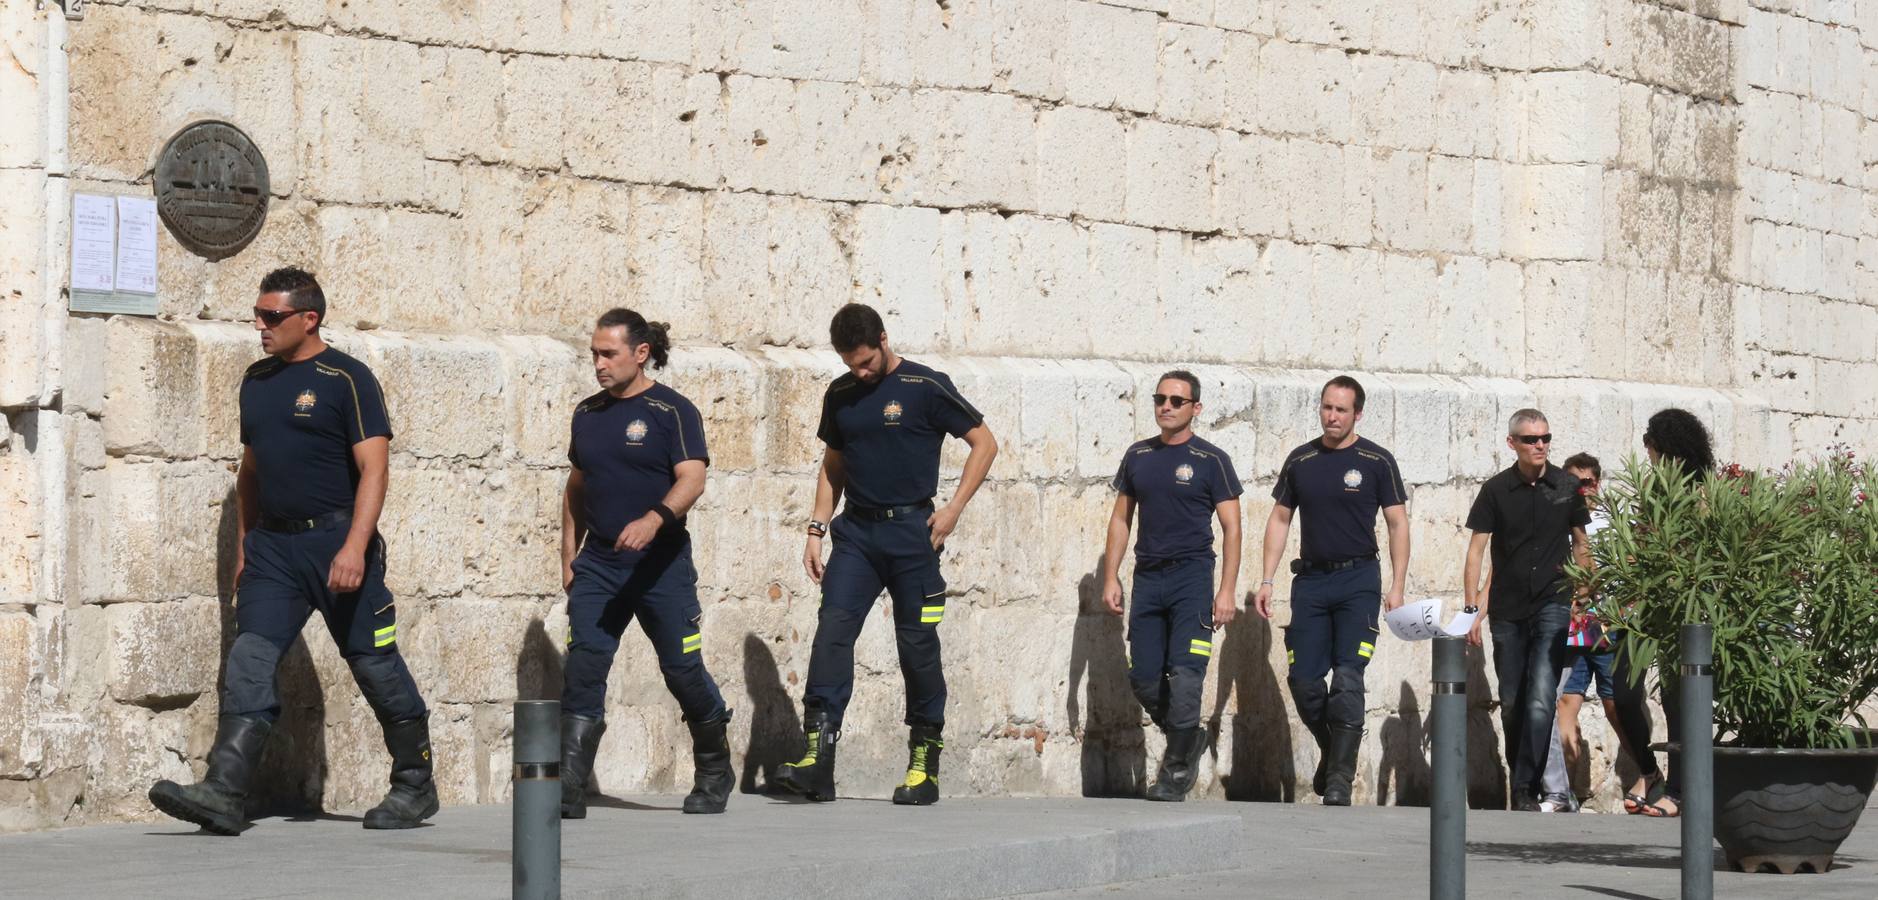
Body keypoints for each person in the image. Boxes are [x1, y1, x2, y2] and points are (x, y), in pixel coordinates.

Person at [149, 267, 436, 834]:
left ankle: (414, 785)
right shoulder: (255, 381)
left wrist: (355, 546)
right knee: (250, 660)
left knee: (375, 667)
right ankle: (225, 792)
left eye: (272, 316)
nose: (260, 325)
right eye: (257, 314)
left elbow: (374, 469)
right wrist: (244, 547)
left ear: (310, 318)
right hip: (274, 550)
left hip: (335, 542)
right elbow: (250, 474)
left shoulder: (346, 379)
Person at [779, 303, 999, 804]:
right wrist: (816, 529)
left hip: (912, 536)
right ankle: (818, 757)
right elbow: (833, 464)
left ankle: (924, 765)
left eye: (865, 362)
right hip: (856, 533)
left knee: (917, 645)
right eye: (849, 364)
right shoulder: (840, 393)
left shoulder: (925, 387)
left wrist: (954, 509)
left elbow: (984, 444)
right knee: (832, 630)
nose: (859, 372)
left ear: (883, 339)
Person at [556, 309, 734, 818]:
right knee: (584, 667)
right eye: (594, 353)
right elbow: (576, 488)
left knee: (681, 668)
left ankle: (715, 769)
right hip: (600, 566)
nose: (598, 363)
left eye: (608, 353)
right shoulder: (586, 414)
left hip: (662, 567)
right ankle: (569, 783)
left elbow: (692, 478)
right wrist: (570, 557)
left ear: (640, 353)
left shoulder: (671, 410)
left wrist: (655, 519)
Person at [1254, 375, 1410, 806]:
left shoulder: (1376, 460)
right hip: (1311, 582)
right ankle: (1333, 747)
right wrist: (1267, 580)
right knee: (1304, 681)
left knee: (1346, 678)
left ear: (1357, 413)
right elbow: (1280, 519)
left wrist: (1396, 586)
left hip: (1358, 580)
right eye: (1326, 407)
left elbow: (1398, 523)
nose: (1332, 416)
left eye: (1341, 409)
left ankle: (1340, 777)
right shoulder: (1301, 460)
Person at [1100, 371, 1244, 802]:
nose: (1166, 406)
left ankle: (1176, 771)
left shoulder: (1211, 460)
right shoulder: (1138, 455)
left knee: (1185, 676)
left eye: (1177, 400)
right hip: (1148, 578)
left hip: (1192, 579)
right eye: (1160, 398)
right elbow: (1121, 519)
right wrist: (1111, 575)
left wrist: (1226, 591)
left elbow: (1232, 529)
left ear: (1195, 408)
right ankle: (1189, 739)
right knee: (1143, 679)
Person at [1463, 409, 1592, 810]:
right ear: (1512, 444)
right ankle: (1521, 776)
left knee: (1540, 698)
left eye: (1545, 438)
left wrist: (1581, 593)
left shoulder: (1566, 486)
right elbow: (1476, 552)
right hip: (1507, 607)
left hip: (1552, 603)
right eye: (1531, 439)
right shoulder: (1495, 490)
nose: (1540, 445)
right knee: (1514, 699)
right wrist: (1471, 609)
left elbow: (1582, 544)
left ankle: (1524, 787)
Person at [1609, 408, 1716, 817]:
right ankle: (1649, 770)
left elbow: (1703, 548)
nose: (1647, 455)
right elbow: (1641, 541)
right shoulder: (1653, 488)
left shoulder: (1702, 490)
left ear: (1662, 448)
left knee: (1677, 698)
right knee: (1620, 690)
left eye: (1650, 446)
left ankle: (1680, 790)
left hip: (1685, 606)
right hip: (1647, 603)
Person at [1536, 453, 1626, 813]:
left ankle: (1647, 775)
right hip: (1572, 621)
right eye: (1573, 481)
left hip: (1605, 620)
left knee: (1613, 703)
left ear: (1598, 483)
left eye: (1587, 482)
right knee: (1564, 702)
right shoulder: (1560, 515)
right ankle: (1564, 791)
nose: (1581, 488)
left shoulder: (1614, 520)